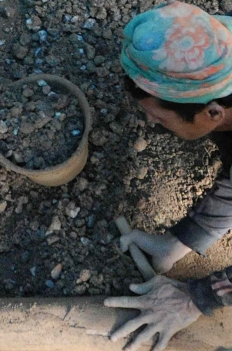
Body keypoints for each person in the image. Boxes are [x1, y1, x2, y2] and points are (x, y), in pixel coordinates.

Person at [104, 1, 232, 351]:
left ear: (211, 113)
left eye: (160, 119)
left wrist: (194, 298)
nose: (151, 124)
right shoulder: (225, 50)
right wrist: (180, 241)